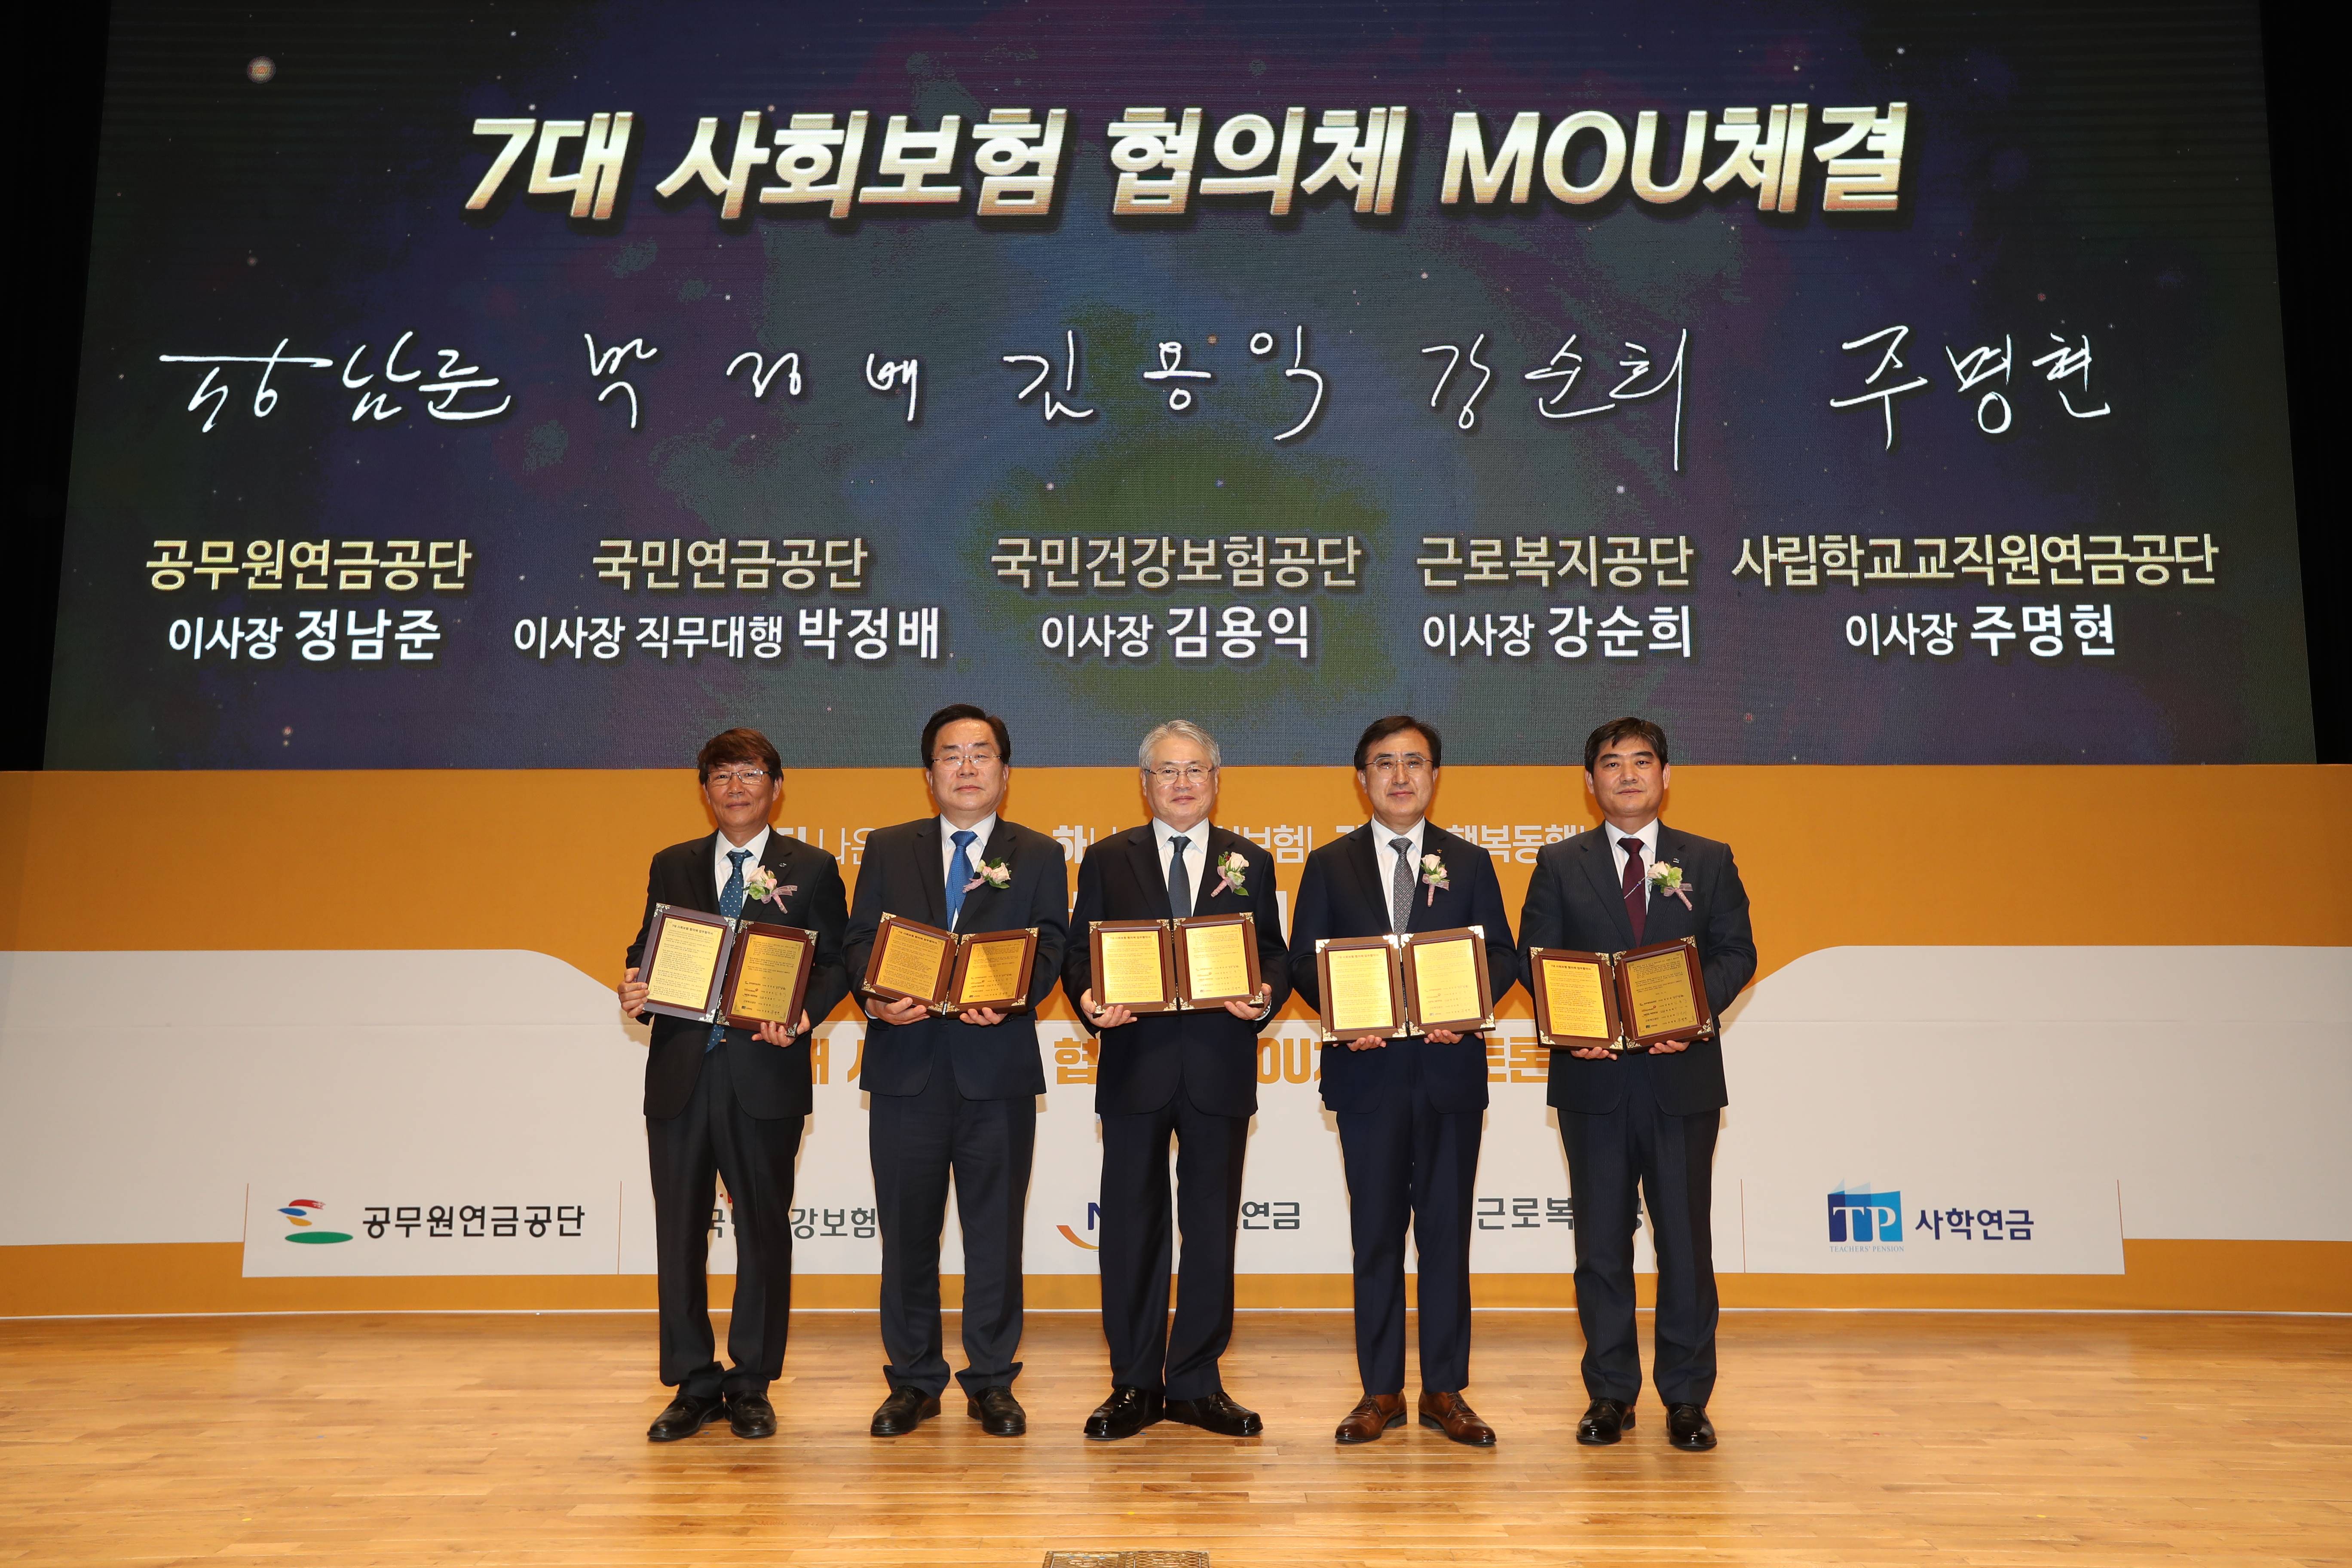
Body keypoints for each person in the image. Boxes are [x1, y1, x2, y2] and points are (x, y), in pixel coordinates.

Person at [1517, 716, 1756, 1452]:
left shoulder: (1708, 859)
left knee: (1684, 1242)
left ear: (1665, 775)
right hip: (1594, 1082)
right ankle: (1610, 1394)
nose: (1627, 775)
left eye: (1642, 762)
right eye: (1612, 764)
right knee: (1600, 1246)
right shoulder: (1560, 863)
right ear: (1590, 782)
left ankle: (1686, 1397)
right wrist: (1575, 1028)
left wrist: (1693, 1012)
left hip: (1680, 1077)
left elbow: (1736, 952)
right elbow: (1536, 958)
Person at [1287, 715, 1518, 1447]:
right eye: (1384, 763)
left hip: (1449, 1075)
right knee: (1377, 1237)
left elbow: (1503, 954)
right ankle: (1379, 1391)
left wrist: (1468, 1006)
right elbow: (1302, 959)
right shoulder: (1329, 863)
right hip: (1368, 1074)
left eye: (1414, 762)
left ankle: (1446, 1390)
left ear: (1434, 777)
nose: (1399, 776)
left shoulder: (1469, 861)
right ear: (1362, 779)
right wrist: (1342, 1013)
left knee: (1446, 1237)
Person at [842, 704, 1069, 1439]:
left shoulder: (1039, 853)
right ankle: (913, 1380)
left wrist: (1012, 998)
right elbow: (858, 940)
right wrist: (876, 998)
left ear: (1005, 770)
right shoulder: (887, 847)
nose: (966, 767)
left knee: (994, 1234)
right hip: (905, 1068)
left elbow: (1053, 947)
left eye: (981, 754)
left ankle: (992, 1380)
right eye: (951, 755)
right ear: (929, 773)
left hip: (994, 1071)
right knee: (907, 1234)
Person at [618, 727, 850, 1442]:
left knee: (762, 1232)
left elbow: (836, 962)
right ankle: (692, 1382)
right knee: (679, 1233)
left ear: (776, 787)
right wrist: (636, 986)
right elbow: (649, 945)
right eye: (721, 776)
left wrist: (803, 1015)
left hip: (764, 1074)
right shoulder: (674, 863)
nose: (736, 787)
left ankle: (751, 1382)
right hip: (682, 1075)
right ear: (705, 791)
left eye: (750, 773)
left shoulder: (812, 867)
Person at [1063, 720, 1290, 1440]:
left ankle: (1196, 1381)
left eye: (1195, 770)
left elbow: (1274, 954)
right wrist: (1090, 1000)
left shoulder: (1250, 860)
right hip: (1135, 1063)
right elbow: (1079, 953)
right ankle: (1133, 1383)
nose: (1183, 783)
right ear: (1145, 784)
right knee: (1131, 1230)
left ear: (1216, 781)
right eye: (1168, 771)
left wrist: (1264, 995)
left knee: (1211, 1229)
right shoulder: (1108, 858)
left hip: (1219, 1067)